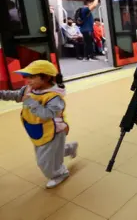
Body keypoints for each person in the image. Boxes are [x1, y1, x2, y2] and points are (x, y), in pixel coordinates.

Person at [0, 60, 78, 189]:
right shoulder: (29, 89)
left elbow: (47, 114)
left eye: (32, 77)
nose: (28, 81)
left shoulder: (54, 97)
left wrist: (30, 101)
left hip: (53, 131)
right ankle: (70, 148)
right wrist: (1, 94)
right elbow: (16, 96)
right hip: (37, 129)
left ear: (46, 77)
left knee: (44, 161)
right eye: (27, 77)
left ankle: (59, 174)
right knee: (52, 152)